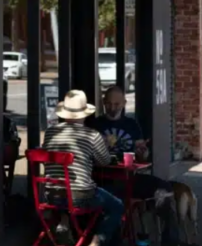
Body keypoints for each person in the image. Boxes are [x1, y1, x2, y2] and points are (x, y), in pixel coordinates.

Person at [89, 85, 180, 246]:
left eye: (116, 104)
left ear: (124, 103)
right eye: (108, 103)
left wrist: (142, 151)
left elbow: (142, 156)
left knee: (164, 190)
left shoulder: (132, 124)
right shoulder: (96, 125)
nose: (112, 108)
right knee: (113, 203)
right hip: (104, 180)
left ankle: (170, 240)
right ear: (103, 102)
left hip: (130, 178)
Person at [41, 90, 123, 246]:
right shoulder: (91, 135)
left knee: (67, 193)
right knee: (117, 206)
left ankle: (64, 222)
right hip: (80, 196)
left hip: (51, 194)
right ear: (84, 114)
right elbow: (104, 161)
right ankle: (97, 242)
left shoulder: (50, 132)